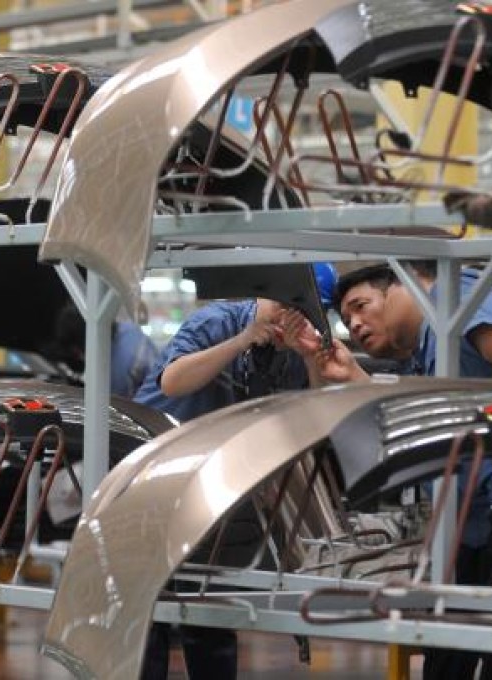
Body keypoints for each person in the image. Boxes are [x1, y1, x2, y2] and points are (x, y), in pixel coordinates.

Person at [282, 260, 492, 680]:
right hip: (487, 515)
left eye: (361, 306)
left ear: (404, 285)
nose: (356, 324)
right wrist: (352, 376)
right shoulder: (430, 352)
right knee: (449, 653)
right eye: (347, 319)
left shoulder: (454, 292)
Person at [133, 261, 339, 678]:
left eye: (304, 312)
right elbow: (173, 381)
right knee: (147, 605)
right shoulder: (218, 321)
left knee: (210, 602)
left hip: (212, 486)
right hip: (152, 470)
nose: (288, 318)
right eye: (282, 306)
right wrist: (242, 341)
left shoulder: (294, 356)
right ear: (263, 295)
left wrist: (312, 356)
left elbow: (316, 418)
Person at [48, 301, 159, 398]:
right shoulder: (128, 330)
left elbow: (115, 406)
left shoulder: (119, 366)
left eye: (78, 352)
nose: (81, 357)